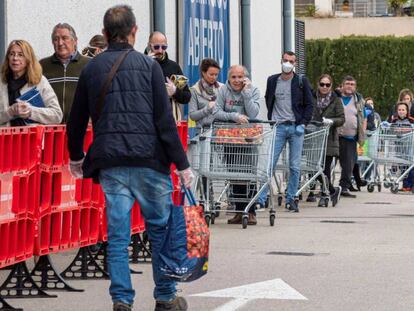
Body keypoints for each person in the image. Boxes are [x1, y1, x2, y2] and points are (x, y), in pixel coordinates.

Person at [66, 5, 192, 311]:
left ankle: (122, 301)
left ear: (106, 34)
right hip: (150, 161)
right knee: (160, 231)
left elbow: (77, 119)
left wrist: (76, 158)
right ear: (134, 32)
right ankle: (165, 297)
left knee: (118, 236)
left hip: (112, 162)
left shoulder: (91, 69)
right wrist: (183, 164)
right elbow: (164, 121)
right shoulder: (149, 67)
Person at [256, 51, 313, 213]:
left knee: (294, 166)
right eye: (285, 60)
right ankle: (262, 199)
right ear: (281, 61)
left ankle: (291, 198)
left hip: (296, 128)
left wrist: (302, 123)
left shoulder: (301, 81)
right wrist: (272, 117)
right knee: (269, 164)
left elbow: (310, 105)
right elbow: (269, 98)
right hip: (279, 127)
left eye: (291, 61)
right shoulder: (273, 80)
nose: (287, 63)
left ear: (295, 64)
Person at [213, 65, 260, 225]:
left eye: (240, 77)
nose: (237, 80)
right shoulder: (222, 91)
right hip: (229, 137)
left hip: (248, 139)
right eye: (234, 77)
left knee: (248, 175)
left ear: (245, 78)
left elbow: (253, 113)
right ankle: (240, 211)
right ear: (229, 78)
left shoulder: (252, 91)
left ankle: (251, 211)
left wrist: (246, 94)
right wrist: (234, 116)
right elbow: (216, 111)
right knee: (234, 175)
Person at [0, 40, 62, 126]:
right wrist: (10, 112)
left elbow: (57, 115)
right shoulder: (1, 82)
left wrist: (31, 112)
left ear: (28, 59)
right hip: (6, 138)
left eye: (20, 55)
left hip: (33, 138)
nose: (15, 58)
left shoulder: (39, 81)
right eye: (12, 54)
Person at [306, 74, 345, 207]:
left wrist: (331, 121)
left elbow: (341, 118)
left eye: (327, 85)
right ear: (318, 84)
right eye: (322, 84)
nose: (324, 87)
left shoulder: (336, 100)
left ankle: (324, 195)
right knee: (313, 170)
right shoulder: (311, 97)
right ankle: (333, 190)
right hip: (313, 137)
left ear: (331, 86)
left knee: (324, 169)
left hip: (329, 139)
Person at [40, 23, 89, 123]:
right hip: (51, 131)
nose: (60, 43)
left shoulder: (89, 64)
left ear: (75, 41)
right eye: (56, 39)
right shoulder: (41, 66)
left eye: (64, 38)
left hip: (81, 128)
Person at [146, 31, 191, 120]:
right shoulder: (141, 64)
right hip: (147, 118)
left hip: (168, 119)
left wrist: (175, 92)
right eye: (156, 47)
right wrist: (146, 64)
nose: (160, 50)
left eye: (164, 47)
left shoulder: (173, 66)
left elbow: (187, 97)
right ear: (149, 45)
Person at [337, 76, 366, 198]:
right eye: (347, 83)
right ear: (342, 86)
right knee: (327, 162)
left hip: (350, 137)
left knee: (348, 164)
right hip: (335, 136)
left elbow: (362, 118)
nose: (349, 86)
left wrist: (362, 135)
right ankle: (326, 187)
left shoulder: (358, 101)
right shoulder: (335, 98)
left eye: (352, 84)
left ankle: (344, 187)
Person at [189, 58, 222, 128]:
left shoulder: (222, 88)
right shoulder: (194, 90)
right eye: (211, 74)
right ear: (203, 73)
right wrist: (207, 109)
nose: (214, 77)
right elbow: (192, 116)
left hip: (220, 131)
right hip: (201, 132)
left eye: (216, 74)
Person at [389, 102, 414, 192]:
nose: (401, 111)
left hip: (409, 148)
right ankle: (405, 185)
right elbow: (391, 130)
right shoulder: (395, 121)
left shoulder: (411, 120)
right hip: (399, 148)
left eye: (403, 110)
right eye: (399, 110)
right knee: (403, 167)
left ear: (407, 111)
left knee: (410, 167)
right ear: (397, 111)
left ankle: (409, 185)